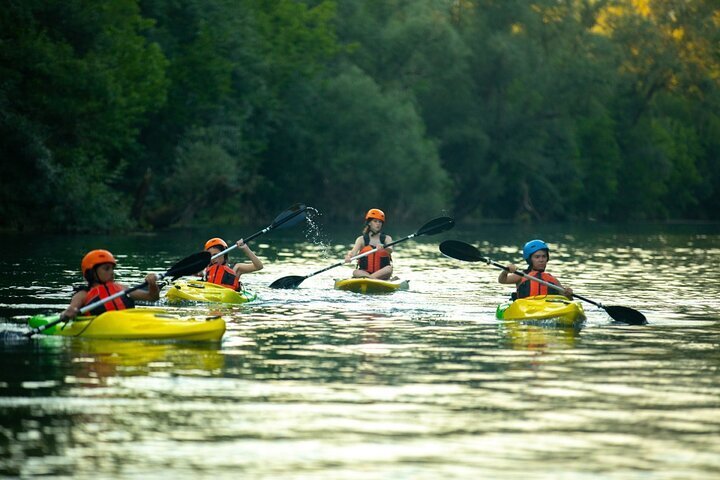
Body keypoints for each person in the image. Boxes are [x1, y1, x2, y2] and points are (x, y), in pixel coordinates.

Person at [62, 249, 159, 319]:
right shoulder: (83, 294)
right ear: (92, 272)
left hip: (127, 323)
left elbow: (152, 297)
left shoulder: (122, 289)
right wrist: (68, 313)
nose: (112, 272)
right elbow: (71, 309)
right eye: (106, 268)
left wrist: (152, 284)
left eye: (112, 268)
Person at [498, 239, 573, 299]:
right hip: (525, 308)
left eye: (544, 256)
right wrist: (505, 272)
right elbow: (502, 280)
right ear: (530, 260)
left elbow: (568, 299)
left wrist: (568, 294)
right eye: (537, 257)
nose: (541, 260)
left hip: (546, 309)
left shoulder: (552, 280)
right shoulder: (522, 276)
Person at [344, 208, 393, 280]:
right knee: (356, 272)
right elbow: (353, 253)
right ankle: (373, 279)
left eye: (380, 222)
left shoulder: (387, 238)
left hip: (382, 274)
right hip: (365, 273)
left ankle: (369, 279)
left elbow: (390, 250)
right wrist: (348, 256)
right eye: (375, 221)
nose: (378, 224)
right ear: (369, 223)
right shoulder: (361, 239)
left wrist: (384, 247)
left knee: (389, 269)